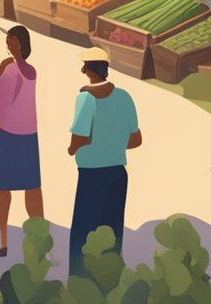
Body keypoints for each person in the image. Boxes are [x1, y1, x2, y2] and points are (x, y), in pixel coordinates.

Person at [68, 47, 141, 276]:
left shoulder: (85, 98)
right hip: (118, 173)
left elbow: (80, 137)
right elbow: (136, 139)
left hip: (91, 175)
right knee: (112, 232)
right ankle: (111, 281)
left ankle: (80, 282)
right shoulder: (124, 96)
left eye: (85, 67)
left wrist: (71, 149)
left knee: (83, 233)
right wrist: (113, 143)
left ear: (89, 70)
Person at [0, 25, 44, 259]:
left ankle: (4, 243)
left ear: (20, 43)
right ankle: (40, 243)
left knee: (4, 189)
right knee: (32, 189)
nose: (8, 43)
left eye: (11, 39)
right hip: (30, 135)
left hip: (10, 135)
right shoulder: (32, 70)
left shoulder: (9, 68)